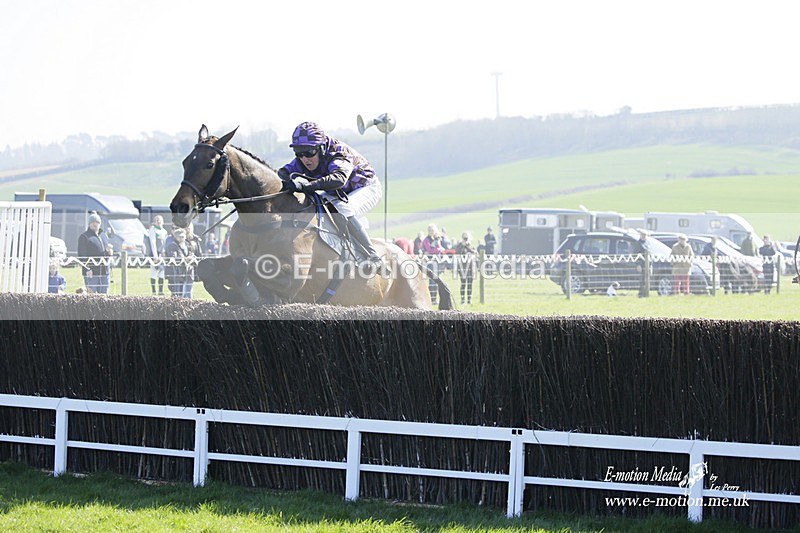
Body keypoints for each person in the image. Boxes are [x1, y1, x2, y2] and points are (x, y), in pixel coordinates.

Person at [278, 121, 385, 270]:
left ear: (321, 148)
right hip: (339, 193)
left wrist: (307, 186)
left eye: (308, 153)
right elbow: (282, 173)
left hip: (366, 187)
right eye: (299, 153)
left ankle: (373, 257)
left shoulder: (338, 151)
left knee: (342, 208)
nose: (304, 159)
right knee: (316, 206)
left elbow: (338, 179)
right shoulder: (305, 157)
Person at [77, 212, 112, 294]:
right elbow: (82, 256)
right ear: (89, 224)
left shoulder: (104, 236)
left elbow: (105, 253)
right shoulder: (84, 237)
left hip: (104, 272)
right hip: (92, 273)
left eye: (97, 222)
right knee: (91, 296)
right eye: (93, 222)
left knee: (104, 296)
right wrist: (87, 269)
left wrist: (109, 252)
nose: (95, 224)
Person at [164, 228, 193, 298]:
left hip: (186, 272)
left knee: (186, 293)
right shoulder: (172, 245)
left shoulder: (187, 244)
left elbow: (191, 253)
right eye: (180, 237)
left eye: (183, 236)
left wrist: (190, 256)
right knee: (176, 294)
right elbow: (174, 257)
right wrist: (185, 259)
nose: (182, 238)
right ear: (176, 237)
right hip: (175, 273)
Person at [422, 224, 446, 304]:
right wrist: (438, 250)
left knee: (436, 281)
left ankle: (435, 299)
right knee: (432, 281)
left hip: (437, 262)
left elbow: (442, 249)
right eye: (430, 230)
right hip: (430, 262)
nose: (431, 232)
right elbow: (429, 250)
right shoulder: (426, 240)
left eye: (433, 230)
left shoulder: (437, 239)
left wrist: (437, 249)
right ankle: (432, 299)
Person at [146, 215, 168, 295]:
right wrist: (155, 255)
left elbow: (165, 244)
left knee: (162, 272)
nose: (159, 221)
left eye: (160, 220)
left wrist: (164, 254)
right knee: (154, 272)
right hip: (155, 253)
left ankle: (161, 290)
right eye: (157, 220)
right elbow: (153, 243)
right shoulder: (153, 229)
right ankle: (154, 291)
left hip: (162, 254)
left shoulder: (164, 231)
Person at [455, 231, 477, 304]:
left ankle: (469, 299)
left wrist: (468, 247)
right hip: (462, 268)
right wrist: (462, 245)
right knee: (463, 283)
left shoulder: (471, 245)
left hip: (470, 267)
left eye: (467, 237)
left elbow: (474, 252)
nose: (465, 238)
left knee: (470, 283)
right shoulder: (459, 245)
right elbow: (457, 252)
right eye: (464, 237)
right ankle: (462, 299)